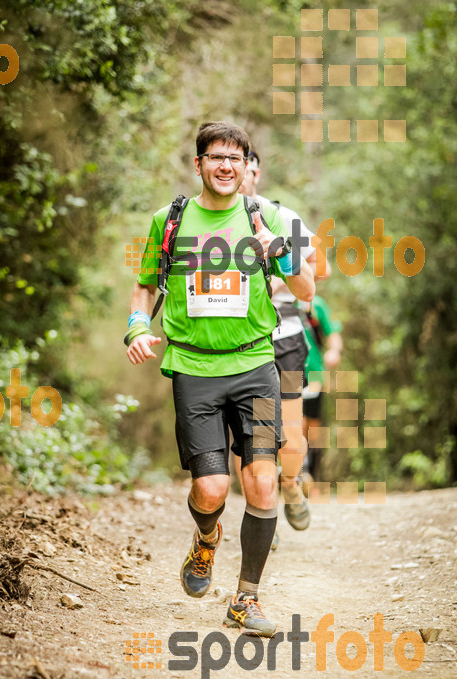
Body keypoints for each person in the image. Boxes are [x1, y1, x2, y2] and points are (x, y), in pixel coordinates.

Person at [125, 121, 314, 636]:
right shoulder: (169, 220)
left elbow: (306, 287)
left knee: (263, 479)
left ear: (246, 165)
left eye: (235, 157)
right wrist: (137, 326)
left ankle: (246, 599)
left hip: (257, 365)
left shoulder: (266, 215)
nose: (226, 166)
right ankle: (206, 539)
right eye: (215, 157)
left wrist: (280, 251)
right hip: (193, 369)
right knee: (211, 489)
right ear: (199, 164)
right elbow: (143, 287)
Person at [235, 150, 331, 541]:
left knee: (291, 441)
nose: (239, 173)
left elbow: (319, 267)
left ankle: (290, 482)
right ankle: (262, 506)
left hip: (287, 338)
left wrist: (282, 275)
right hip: (241, 341)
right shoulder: (208, 221)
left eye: (246, 166)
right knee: (253, 438)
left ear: (255, 172)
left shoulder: (281, 215)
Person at [302, 294, 343, 485]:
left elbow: (333, 332)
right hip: (283, 372)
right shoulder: (275, 300)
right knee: (293, 422)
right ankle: (296, 474)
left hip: (314, 373)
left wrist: (334, 351)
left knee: (313, 427)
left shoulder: (316, 304)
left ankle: (312, 477)